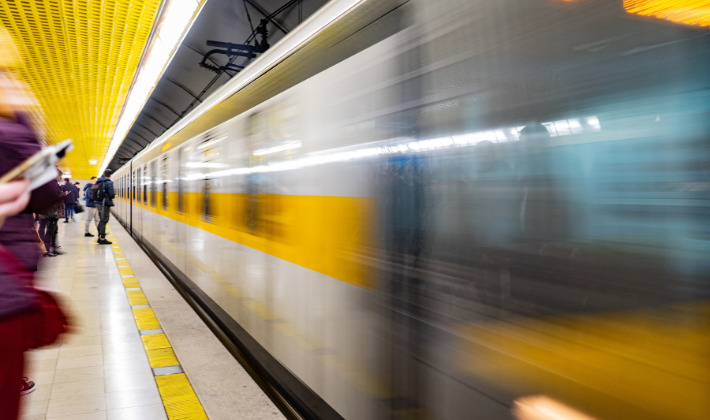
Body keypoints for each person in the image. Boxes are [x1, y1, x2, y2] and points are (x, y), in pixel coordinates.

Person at [94, 169, 115, 245]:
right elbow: (111, 194)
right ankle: (102, 238)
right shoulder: (108, 182)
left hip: (98, 203)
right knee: (104, 220)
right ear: (110, 175)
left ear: (103, 174)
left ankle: (100, 236)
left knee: (101, 219)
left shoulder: (98, 181)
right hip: (104, 203)